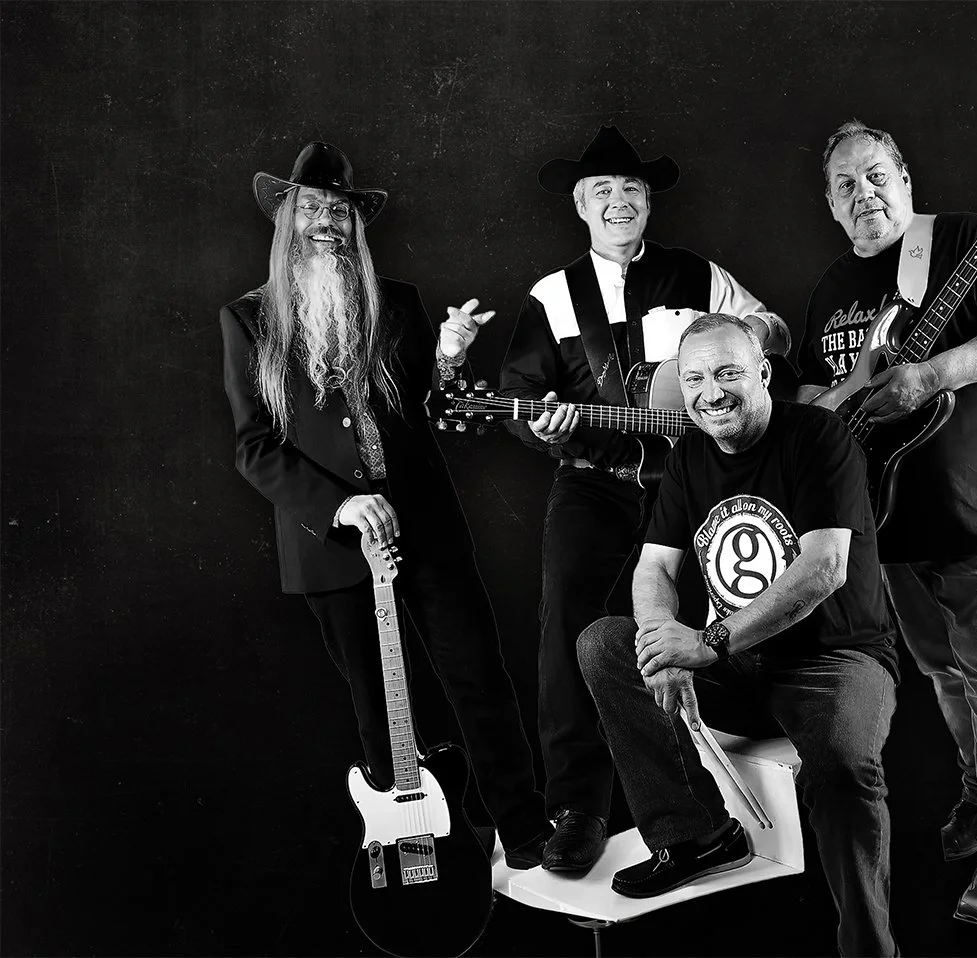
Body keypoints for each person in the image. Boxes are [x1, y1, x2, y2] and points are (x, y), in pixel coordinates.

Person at [219, 141, 551, 869]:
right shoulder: (248, 320)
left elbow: (434, 410)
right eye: (313, 208)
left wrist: (448, 358)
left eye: (339, 211)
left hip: (425, 522)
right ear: (287, 219)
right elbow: (255, 447)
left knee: (479, 678)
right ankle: (417, 859)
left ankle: (524, 828)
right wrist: (340, 508)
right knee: (378, 711)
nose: (327, 222)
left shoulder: (396, 300)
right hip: (331, 546)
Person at [497, 126, 793, 874]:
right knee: (569, 618)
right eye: (603, 192)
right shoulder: (550, 296)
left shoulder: (697, 274)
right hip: (594, 486)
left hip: (688, 488)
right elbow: (523, 400)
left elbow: (777, 335)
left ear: (647, 202)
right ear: (580, 205)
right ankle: (578, 807)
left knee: (712, 608)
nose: (619, 201)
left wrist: (737, 332)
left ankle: (703, 787)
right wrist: (547, 429)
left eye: (631, 189)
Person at [577, 314, 899, 956]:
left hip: (835, 659)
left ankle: (869, 946)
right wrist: (661, 640)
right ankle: (696, 835)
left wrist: (708, 642)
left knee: (839, 764)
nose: (710, 392)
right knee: (606, 644)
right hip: (739, 667)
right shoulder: (690, 454)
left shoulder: (819, 435)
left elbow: (823, 567)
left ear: (764, 375)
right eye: (694, 378)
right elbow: (655, 566)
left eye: (728, 373)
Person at [797, 120, 977, 930]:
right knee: (945, 675)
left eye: (875, 176)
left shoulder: (966, 241)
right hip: (885, 521)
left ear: (904, 176)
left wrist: (935, 373)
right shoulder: (833, 285)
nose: (863, 194)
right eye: (845, 186)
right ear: (831, 207)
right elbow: (811, 399)